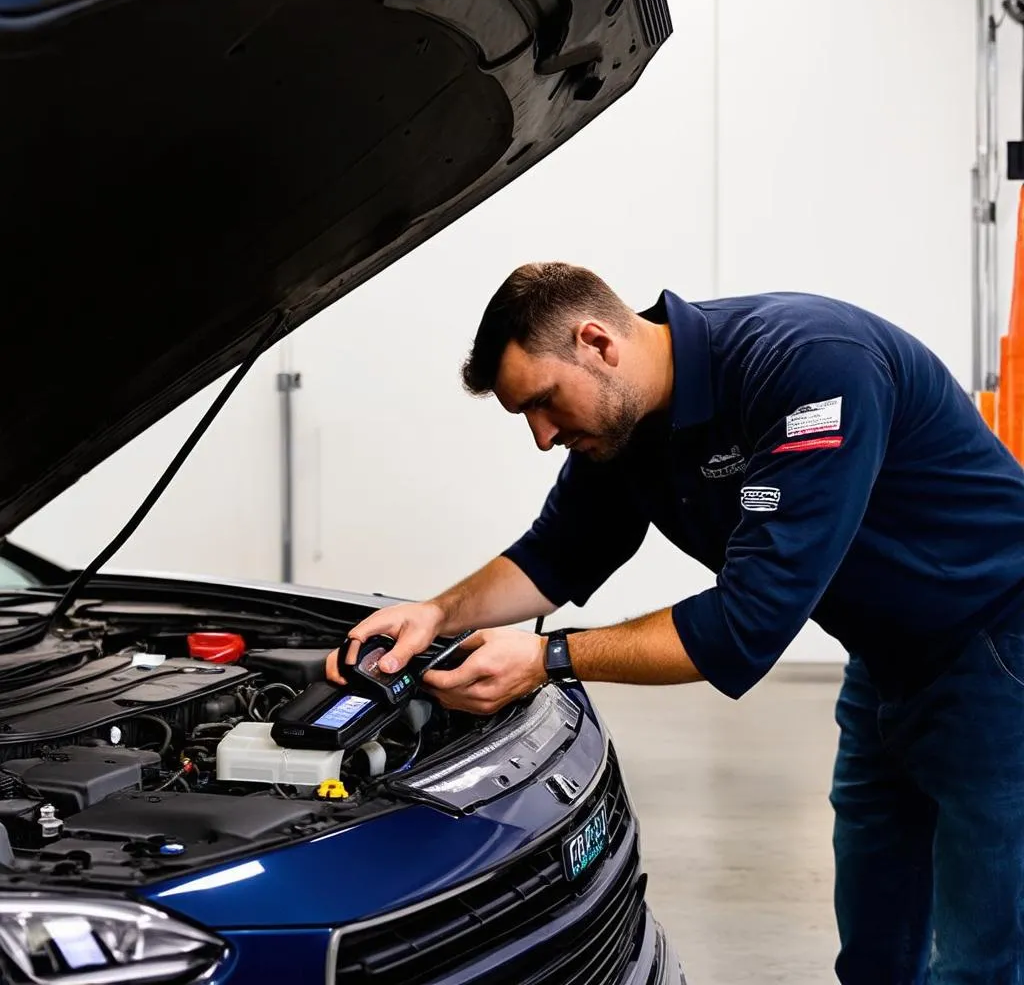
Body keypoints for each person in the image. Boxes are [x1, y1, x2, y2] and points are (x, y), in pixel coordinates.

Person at [325, 261, 1024, 984]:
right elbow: (556, 556)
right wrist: (435, 612)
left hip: (999, 646)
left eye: (543, 401)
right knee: (878, 945)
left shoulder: (809, 367)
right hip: (886, 659)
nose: (540, 436)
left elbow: (745, 624)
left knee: (984, 954)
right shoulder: (627, 427)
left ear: (596, 342)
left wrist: (546, 660)